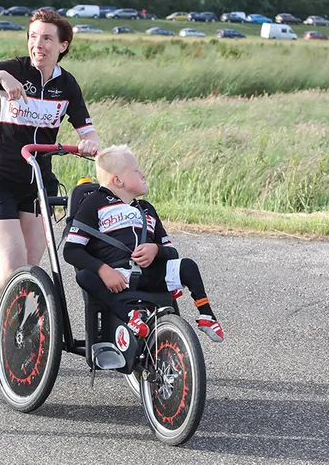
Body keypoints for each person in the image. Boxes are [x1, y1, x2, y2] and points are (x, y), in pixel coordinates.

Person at [0, 9, 101, 365]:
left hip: (37, 184)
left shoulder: (67, 85)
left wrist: (91, 142)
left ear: (62, 46)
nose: (38, 44)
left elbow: (86, 129)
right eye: (33, 36)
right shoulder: (12, 70)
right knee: (12, 268)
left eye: (47, 38)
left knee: (30, 271)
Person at [63, 145, 224, 343]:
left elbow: (171, 251)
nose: (143, 174)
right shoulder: (94, 203)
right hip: (116, 279)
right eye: (136, 171)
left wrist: (156, 250)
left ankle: (207, 315)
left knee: (188, 266)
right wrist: (103, 270)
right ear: (118, 180)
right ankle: (130, 316)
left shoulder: (147, 209)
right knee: (84, 276)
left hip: (151, 274)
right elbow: (71, 250)